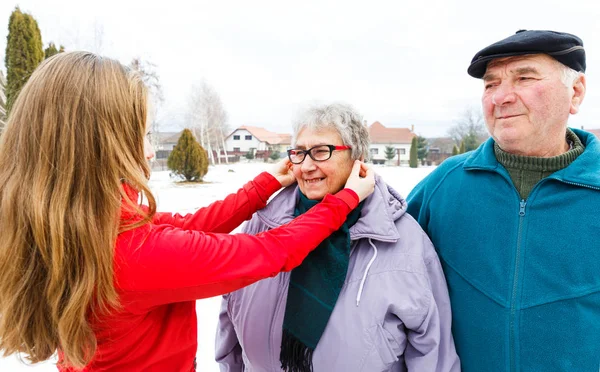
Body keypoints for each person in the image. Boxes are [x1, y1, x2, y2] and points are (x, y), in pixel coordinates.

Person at [0, 52, 376, 372]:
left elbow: (183, 229)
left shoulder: (77, 223)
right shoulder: (129, 253)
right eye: (143, 136)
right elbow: (269, 252)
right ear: (101, 145)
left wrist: (260, 188)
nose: (149, 153)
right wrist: (342, 202)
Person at [215, 103, 460, 372]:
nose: (307, 166)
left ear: (358, 157)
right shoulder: (261, 225)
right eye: (299, 153)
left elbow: (432, 352)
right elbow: (229, 325)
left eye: (321, 152)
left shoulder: (403, 241)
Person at [406, 30, 599, 371]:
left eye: (524, 77)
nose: (501, 97)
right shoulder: (444, 186)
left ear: (576, 92)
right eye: (490, 85)